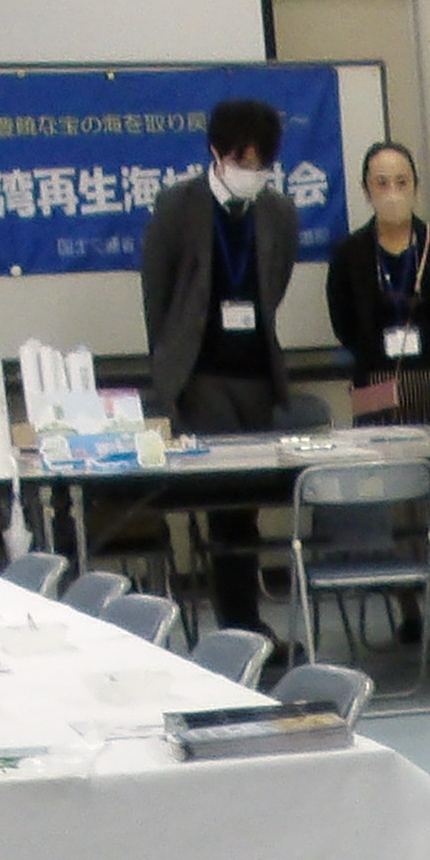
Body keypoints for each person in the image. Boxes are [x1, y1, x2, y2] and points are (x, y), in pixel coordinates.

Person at [140, 95, 302, 633]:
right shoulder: (178, 206)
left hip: (254, 373)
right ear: (216, 152)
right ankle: (239, 623)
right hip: (200, 375)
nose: (250, 173)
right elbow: (158, 296)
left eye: (261, 165)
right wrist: (170, 372)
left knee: (247, 507)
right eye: (242, 161)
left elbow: (273, 285)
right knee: (225, 504)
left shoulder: (278, 213)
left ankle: (244, 621)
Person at [325, 136, 430, 423]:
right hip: (374, 378)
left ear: (415, 187)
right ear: (366, 190)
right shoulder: (350, 251)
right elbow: (342, 322)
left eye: (401, 182)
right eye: (381, 183)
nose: (392, 192)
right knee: (379, 463)